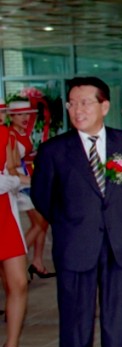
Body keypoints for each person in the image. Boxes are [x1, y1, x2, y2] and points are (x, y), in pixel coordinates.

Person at [32, 76, 122, 347]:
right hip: (75, 245)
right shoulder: (55, 150)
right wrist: (73, 224)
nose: (77, 110)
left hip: (116, 244)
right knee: (75, 320)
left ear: (104, 106)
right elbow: (42, 198)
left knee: (115, 318)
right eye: (72, 103)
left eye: (85, 103)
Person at [7, 100, 53, 280]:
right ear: (11, 116)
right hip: (19, 183)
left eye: (27, 114)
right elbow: (12, 165)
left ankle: (37, 262)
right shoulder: (10, 134)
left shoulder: (22, 133)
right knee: (40, 223)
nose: (25, 117)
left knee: (42, 223)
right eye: (20, 114)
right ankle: (13, 259)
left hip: (26, 180)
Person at [1, 103, 30, 347]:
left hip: (5, 216)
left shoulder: (5, 135)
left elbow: (12, 170)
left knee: (18, 282)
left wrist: (16, 180)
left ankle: (11, 346)